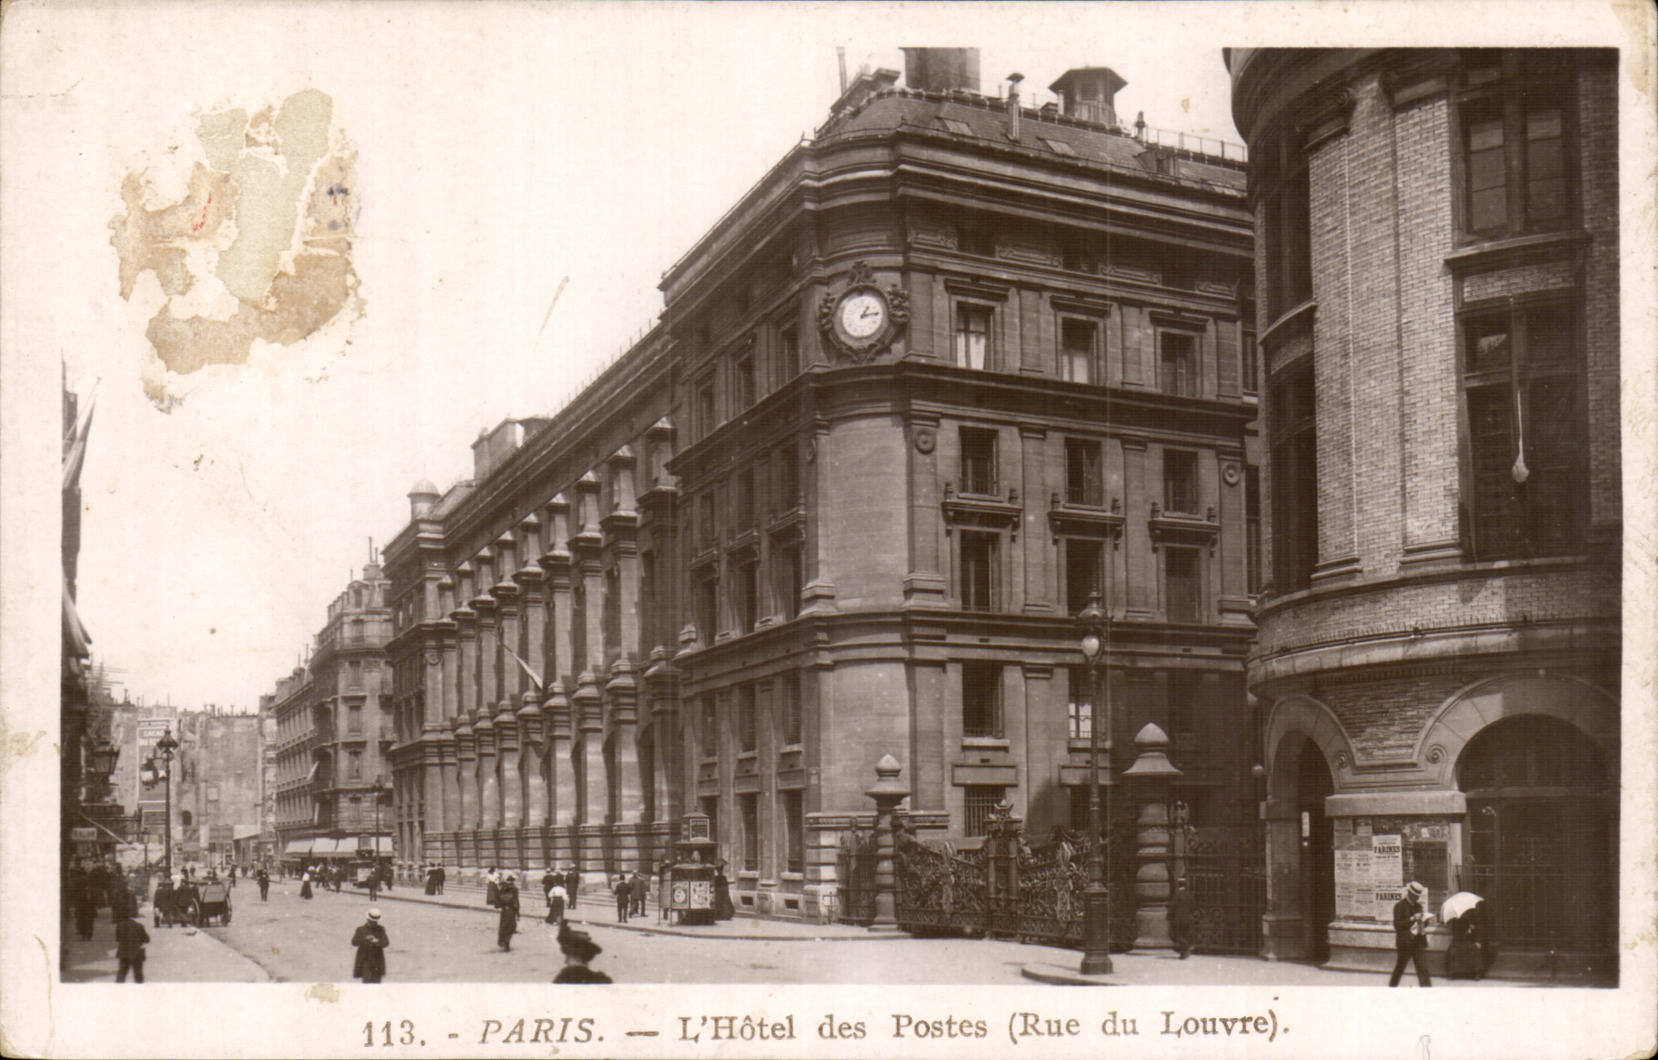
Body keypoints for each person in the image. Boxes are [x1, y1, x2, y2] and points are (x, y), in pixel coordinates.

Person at [1389, 881, 1433, 987]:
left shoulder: (1418, 906)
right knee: (1400, 968)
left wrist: (1424, 920)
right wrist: (1412, 918)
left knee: (1423, 970)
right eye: (1415, 896)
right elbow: (1397, 925)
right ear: (1410, 893)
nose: (1417, 898)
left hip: (1418, 942)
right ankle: (1391, 989)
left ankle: (1429, 993)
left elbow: (1425, 924)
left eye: (1418, 896)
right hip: (1405, 943)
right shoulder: (1399, 906)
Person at [352, 908, 389, 983]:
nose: (374, 923)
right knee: (367, 982)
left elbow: (386, 943)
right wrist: (365, 940)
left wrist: (377, 941)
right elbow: (354, 942)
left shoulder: (381, 929)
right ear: (368, 920)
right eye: (372, 921)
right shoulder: (360, 929)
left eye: (375, 922)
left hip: (377, 961)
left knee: (377, 983)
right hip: (365, 960)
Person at [115, 912, 150, 983]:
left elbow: (118, 939)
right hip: (137, 953)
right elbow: (147, 939)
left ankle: (117, 990)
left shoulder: (119, 926)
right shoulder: (139, 926)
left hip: (124, 952)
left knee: (122, 973)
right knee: (138, 974)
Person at [1168, 876, 1195, 959]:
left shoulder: (1177, 894)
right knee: (1185, 935)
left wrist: (1169, 916)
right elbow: (1193, 906)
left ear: (1178, 884)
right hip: (1187, 917)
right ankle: (1183, 953)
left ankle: (1186, 948)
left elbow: (1173, 906)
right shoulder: (1190, 894)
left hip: (1178, 918)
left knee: (1177, 935)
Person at [496, 874, 521, 951]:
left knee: (503, 926)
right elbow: (516, 901)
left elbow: (497, 902)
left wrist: (501, 906)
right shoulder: (514, 889)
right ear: (513, 881)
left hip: (504, 911)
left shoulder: (502, 889)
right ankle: (507, 942)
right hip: (511, 911)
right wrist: (518, 913)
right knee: (511, 926)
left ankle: (502, 941)